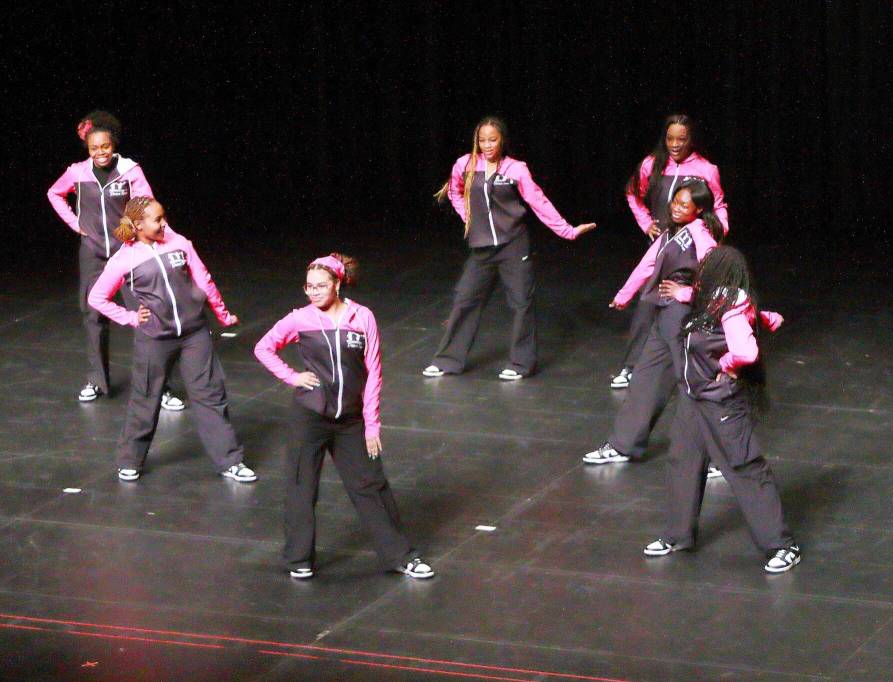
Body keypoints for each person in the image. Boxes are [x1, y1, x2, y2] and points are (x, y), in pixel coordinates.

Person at [255, 254, 433, 580]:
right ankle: (298, 559)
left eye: (321, 285)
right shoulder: (299, 319)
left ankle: (401, 556)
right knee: (301, 486)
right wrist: (293, 377)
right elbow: (263, 347)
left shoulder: (361, 317)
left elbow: (374, 372)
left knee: (371, 485)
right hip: (309, 416)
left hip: (351, 420)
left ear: (338, 284)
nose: (314, 292)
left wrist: (371, 424)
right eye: (309, 286)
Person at [642, 246, 800, 574]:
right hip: (693, 400)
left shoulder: (731, 303)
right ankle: (677, 535)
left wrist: (727, 363)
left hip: (722, 401)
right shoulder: (713, 297)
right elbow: (747, 316)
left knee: (744, 468)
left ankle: (782, 545)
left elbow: (745, 350)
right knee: (683, 463)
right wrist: (767, 318)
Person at [87, 197, 255, 483]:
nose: (164, 223)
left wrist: (222, 314)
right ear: (139, 225)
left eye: (164, 217)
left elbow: (204, 280)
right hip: (155, 338)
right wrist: (129, 317)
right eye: (157, 220)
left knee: (210, 395)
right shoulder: (125, 259)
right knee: (146, 397)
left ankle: (230, 461)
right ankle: (130, 460)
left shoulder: (180, 244)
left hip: (195, 334)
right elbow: (97, 297)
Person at [422, 116, 596, 380]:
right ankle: (448, 361)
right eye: (482, 140)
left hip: (514, 245)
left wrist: (567, 231)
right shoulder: (465, 164)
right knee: (465, 301)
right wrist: (468, 216)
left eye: (492, 140)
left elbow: (539, 202)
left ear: (502, 140)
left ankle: (520, 365)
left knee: (521, 303)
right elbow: (454, 191)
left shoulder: (516, 169)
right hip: (481, 249)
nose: (487, 145)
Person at [47, 111, 184, 410]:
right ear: (88, 148)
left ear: (113, 145)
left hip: (129, 254)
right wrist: (75, 224)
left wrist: (155, 236)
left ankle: (160, 387)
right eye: (94, 148)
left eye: (105, 147)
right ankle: (96, 380)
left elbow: (147, 206)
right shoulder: (77, 172)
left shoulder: (130, 170)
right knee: (93, 315)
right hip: (93, 253)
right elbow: (55, 193)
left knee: (146, 316)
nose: (100, 153)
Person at [583, 180, 724, 470]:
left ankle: (719, 458)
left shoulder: (701, 235)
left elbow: (717, 279)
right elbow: (647, 265)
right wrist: (624, 295)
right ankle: (624, 443)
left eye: (684, 204)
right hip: (665, 315)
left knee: (693, 387)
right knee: (645, 378)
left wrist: (685, 293)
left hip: (686, 316)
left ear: (699, 210)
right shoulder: (671, 233)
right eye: (675, 201)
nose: (676, 207)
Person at [611, 114, 729, 390]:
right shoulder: (651, 165)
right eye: (670, 139)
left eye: (682, 139)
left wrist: (718, 231)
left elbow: (718, 203)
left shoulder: (706, 169)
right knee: (647, 303)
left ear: (691, 140)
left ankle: (697, 368)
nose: (675, 144)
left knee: (688, 303)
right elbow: (633, 194)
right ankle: (631, 367)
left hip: (692, 245)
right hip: (662, 242)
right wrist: (645, 224)